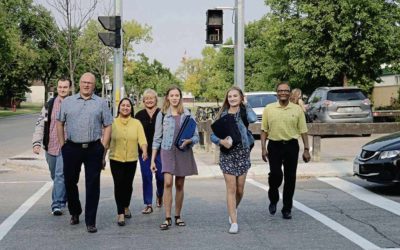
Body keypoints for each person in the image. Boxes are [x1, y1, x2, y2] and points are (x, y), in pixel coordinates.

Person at [56, 72, 113, 233]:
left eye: (90, 83)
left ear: (94, 85)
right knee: (69, 181)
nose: (86, 85)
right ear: (79, 84)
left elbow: (108, 125)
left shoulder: (101, 103)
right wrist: (62, 145)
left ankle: (91, 221)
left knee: (93, 185)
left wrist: (103, 146)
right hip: (72, 148)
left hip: (94, 147)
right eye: (84, 82)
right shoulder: (68, 102)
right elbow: (60, 123)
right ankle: (75, 211)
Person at [151, 85, 199, 230]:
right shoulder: (162, 114)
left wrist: (190, 141)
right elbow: (157, 137)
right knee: (167, 183)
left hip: (183, 151)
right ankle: (167, 217)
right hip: (166, 151)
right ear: (167, 97)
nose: (174, 98)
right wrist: (153, 159)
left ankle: (177, 216)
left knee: (179, 184)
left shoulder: (188, 113)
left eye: (177, 95)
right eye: (171, 95)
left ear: (180, 97)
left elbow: (196, 135)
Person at [261, 82, 311, 220]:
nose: (283, 93)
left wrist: (306, 149)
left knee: (290, 178)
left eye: (286, 91)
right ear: (276, 93)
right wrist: (263, 148)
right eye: (280, 90)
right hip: (274, 146)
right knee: (276, 175)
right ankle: (273, 196)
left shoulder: (297, 109)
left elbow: (303, 131)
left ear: (290, 93)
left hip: (291, 146)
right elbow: (264, 130)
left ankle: (287, 208)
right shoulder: (269, 109)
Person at [210, 86, 257, 234]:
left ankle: (233, 208)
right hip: (227, 154)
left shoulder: (244, 112)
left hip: (243, 152)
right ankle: (234, 221)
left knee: (240, 188)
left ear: (241, 97)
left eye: (235, 96)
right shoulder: (223, 115)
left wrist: (247, 104)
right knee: (231, 188)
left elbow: (253, 119)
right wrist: (221, 142)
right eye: (230, 96)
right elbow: (212, 135)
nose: (232, 99)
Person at [32, 77, 71, 216]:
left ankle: (57, 204)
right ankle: (63, 196)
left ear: (70, 88)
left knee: (60, 174)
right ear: (57, 88)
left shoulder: (73, 104)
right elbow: (40, 124)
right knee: (55, 175)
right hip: (50, 146)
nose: (62, 89)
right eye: (60, 87)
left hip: (66, 146)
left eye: (65, 87)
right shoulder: (49, 104)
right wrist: (36, 143)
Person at [108, 97, 148, 226]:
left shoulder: (136, 123)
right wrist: (102, 157)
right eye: (123, 105)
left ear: (131, 108)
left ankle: (126, 206)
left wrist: (145, 150)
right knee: (118, 185)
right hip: (115, 158)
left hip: (131, 159)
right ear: (119, 108)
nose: (125, 108)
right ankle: (120, 213)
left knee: (128, 185)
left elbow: (142, 139)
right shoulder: (112, 122)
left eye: (128, 106)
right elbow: (106, 141)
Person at [134, 89, 164, 214]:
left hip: (160, 151)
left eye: (152, 98)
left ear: (156, 100)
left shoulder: (162, 113)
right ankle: (148, 203)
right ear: (143, 101)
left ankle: (160, 194)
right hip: (144, 151)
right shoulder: (139, 115)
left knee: (161, 177)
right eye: (147, 98)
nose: (149, 100)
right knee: (146, 176)